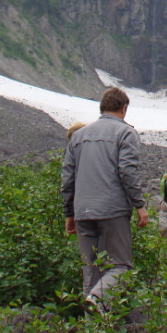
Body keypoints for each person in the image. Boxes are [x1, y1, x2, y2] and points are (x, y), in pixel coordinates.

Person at [60, 87, 149, 311]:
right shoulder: (126, 133)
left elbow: (67, 178)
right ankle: (98, 302)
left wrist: (69, 214)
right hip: (112, 209)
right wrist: (139, 205)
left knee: (90, 269)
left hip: (82, 211)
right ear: (124, 108)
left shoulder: (78, 137)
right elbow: (127, 171)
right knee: (120, 265)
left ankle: (90, 329)